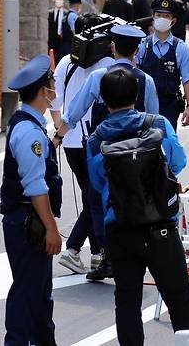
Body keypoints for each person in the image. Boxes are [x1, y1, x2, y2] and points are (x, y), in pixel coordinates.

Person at [86, 67, 189, 344]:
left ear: (103, 99)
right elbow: (178, 162)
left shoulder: (96, 139)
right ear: (137, 96)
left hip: (120, 226)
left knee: (127, 301)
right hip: (160, 224)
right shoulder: (157, 124)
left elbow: (98, 182)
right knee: (179, 297)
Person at [55, 25, 160, 280]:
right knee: (134, 200)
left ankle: (107, 255)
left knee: (98, 203)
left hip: (103, 153)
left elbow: (75, 111)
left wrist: (58, 136)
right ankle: (128, 254)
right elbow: (156, 121)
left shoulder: (99, 76)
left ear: (112, 47)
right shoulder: (146, 80)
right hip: (138, 154)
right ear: (137, 51)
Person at [0, 54, 63, 346]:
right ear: (42, 91)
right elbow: (35, 186)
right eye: (51, 83)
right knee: (28, 294)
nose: (54, 89)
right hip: (27, 223)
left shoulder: (30, 124)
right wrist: (51, 228)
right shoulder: (28, 131)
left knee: (38, 295)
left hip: (28, 222)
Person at [51, 14, 115, 274]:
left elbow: (55, 102)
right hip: (95, 141)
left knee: (91, 195)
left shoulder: (67, 61)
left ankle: (98, 254)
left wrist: (61, 130)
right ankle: (74, 248)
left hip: (70, 141)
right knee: (95, 199)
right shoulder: (108, 64)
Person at [136, 0, 189, 129]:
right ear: (153, 17)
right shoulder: (142, 45)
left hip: (169, 106)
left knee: (167, 145)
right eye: (158, 15)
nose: (162, 19)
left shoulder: (181, 48)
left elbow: (188, 79)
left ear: (173, 21)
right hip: (142, 107)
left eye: (166, 16)